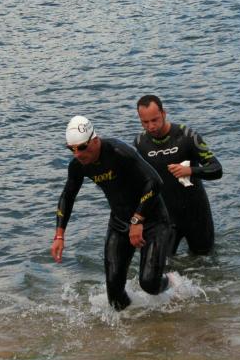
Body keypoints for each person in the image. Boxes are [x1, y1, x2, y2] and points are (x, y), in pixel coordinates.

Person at [52, 115, 174, 311]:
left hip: (152, 220)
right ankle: (135, 321)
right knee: (115, 299)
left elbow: (155, 182)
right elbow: (68, 195)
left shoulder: (119, 152)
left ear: (94, 140)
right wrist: (59, 235)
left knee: (150, 284)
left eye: (81, 147)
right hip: (119, 222)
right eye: (71, 149)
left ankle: (171, 281)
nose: (77, 154)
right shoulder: (78, 165)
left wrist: (137, 220)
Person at [134, 95, 223, 256]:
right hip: (165, 218)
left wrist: (191, 171)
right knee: (160, 265)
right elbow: (139, 184)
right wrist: (138, 218)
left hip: (196, 215)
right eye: (145, 122)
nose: (151, 126)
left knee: (205, 263)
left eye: (155, 120)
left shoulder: (187, 136)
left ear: (164, 113)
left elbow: (217, 169)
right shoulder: (140, 143)